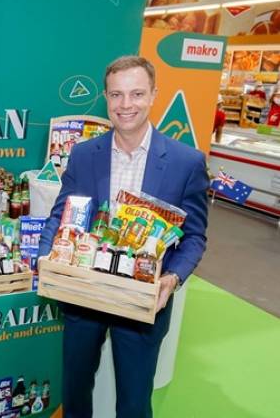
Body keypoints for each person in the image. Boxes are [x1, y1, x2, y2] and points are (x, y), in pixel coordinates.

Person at [38, 56, 209, 418]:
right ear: (106, 98)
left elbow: (194, 236)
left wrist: (172, 278)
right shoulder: (85, 154)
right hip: (84, 292)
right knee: (75, 392)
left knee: (134, 402)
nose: (125, 104)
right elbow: (61, 212)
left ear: (154, 95)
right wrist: (44, 255)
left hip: (143, 300)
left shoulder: (186, 162)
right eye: (116, 95)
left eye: (136, 94)